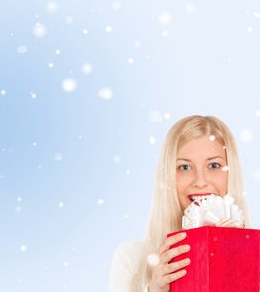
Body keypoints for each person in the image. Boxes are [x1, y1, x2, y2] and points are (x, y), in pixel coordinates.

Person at [108, 115, 251, 292]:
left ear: (231, 173)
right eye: (184, 167)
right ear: (169, 176)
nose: (200, 181)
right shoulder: (130, 259)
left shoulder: (256, 258)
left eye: (213, 165)